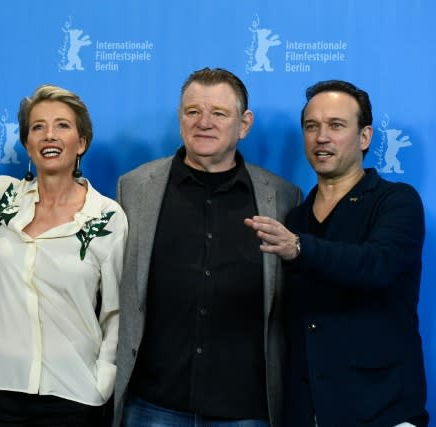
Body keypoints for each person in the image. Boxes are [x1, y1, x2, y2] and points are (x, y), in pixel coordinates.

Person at [113, 67, 302, 427]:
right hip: (154, 403)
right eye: (193, 111)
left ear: (244, 124)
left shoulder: (281, 197)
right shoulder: (135, 188)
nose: (204, 122)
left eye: (219, 113)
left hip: (245, 408)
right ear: (180, 118)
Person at [244, 80, 428, 427]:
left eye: (336, 125)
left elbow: (377, 265)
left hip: (383, 410)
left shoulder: (395, 201)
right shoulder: (296, 215)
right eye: (311, 126)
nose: (321, 137)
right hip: (307, 410)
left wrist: (300, 248)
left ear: (365, 137)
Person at [0, 84, 128, 426]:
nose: (49, 135)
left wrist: (102, 382)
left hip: (74, 395)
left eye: (62, 125)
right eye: (38, 126)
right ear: (26, 142)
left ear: (81, 142)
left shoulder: (107, 217)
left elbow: (117, 311)